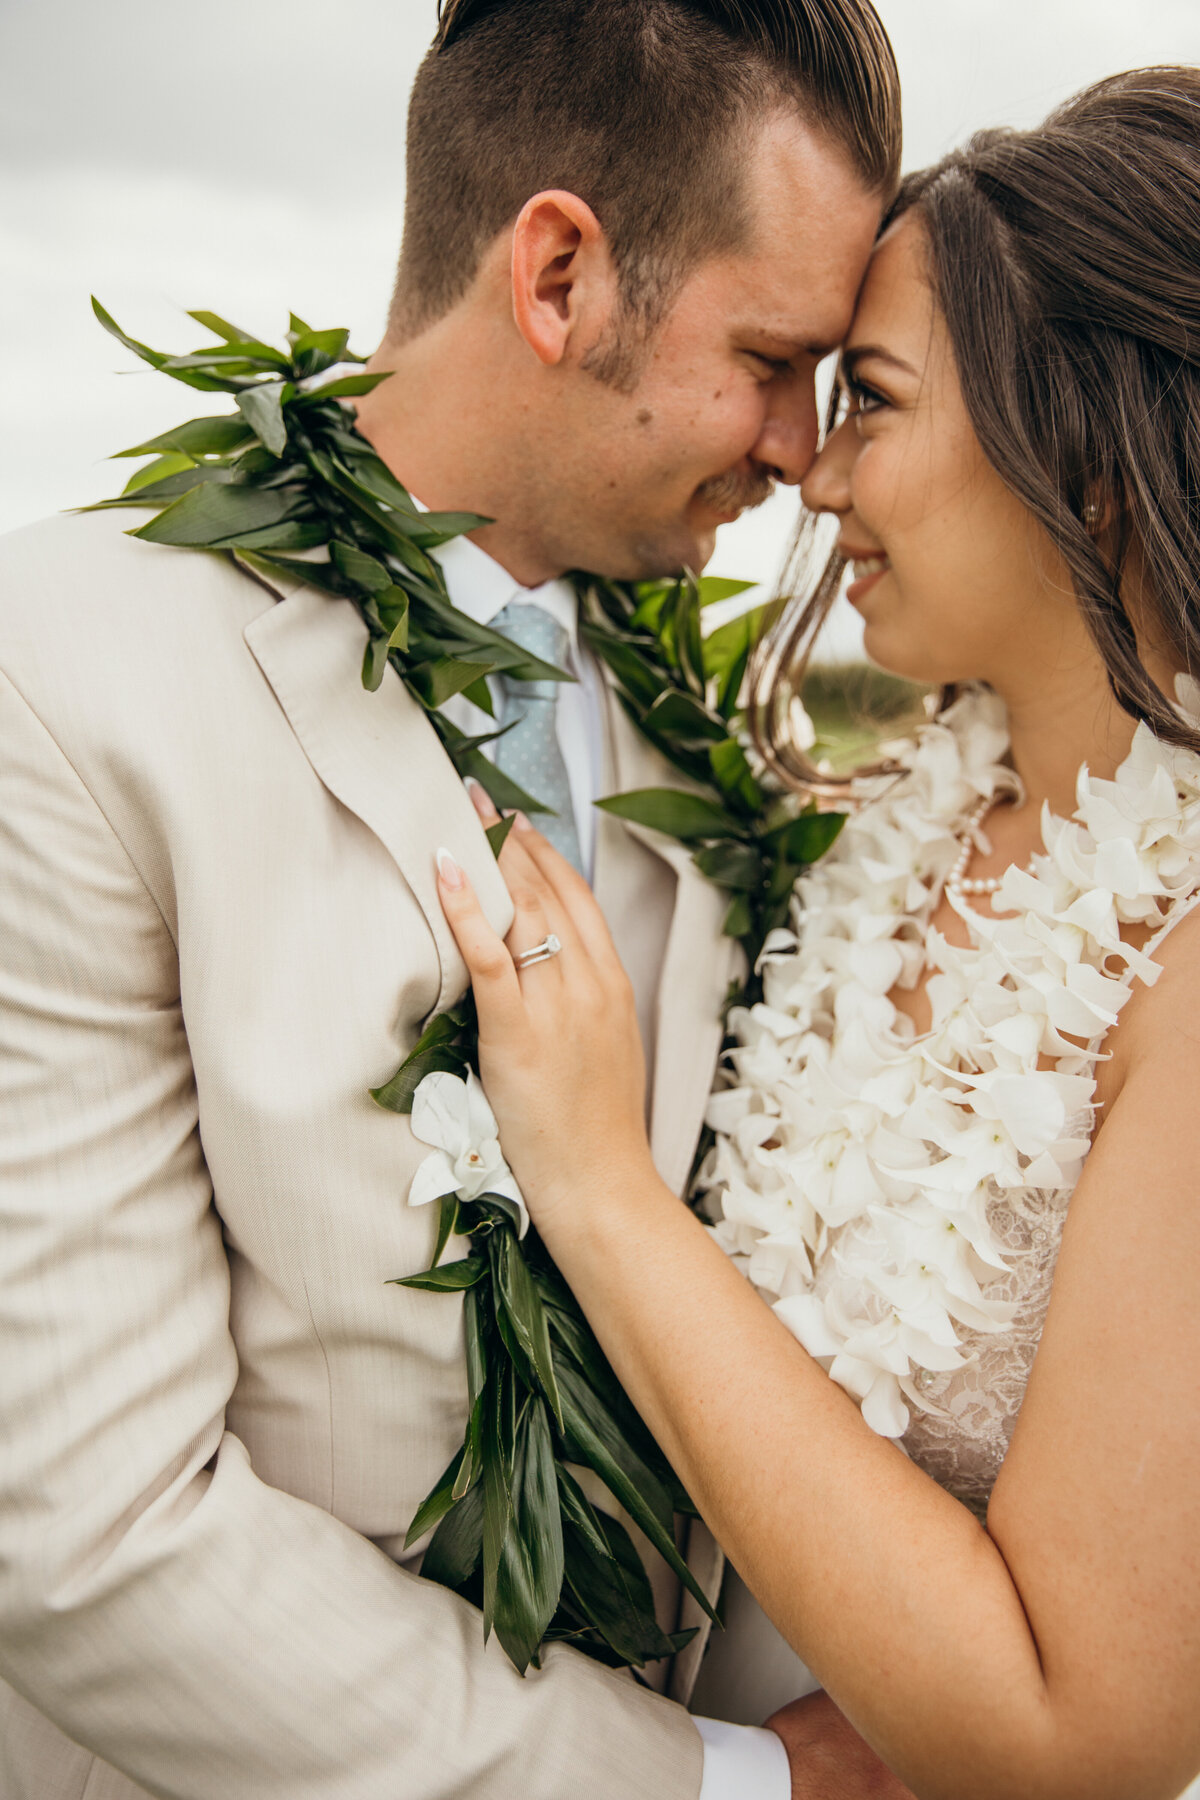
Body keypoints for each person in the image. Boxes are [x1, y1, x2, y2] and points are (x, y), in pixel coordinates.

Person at [0, 2, 916, 1797]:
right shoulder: (67, 678)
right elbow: (87, 1526)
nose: (804, 450)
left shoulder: (714, 719)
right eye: (768, 355)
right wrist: (729, 1787)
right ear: (560, 273)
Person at [434, 67, 1200, 1800]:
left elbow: (1086, 1733)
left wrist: (605, 1193)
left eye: (872, 399)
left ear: (1074, 453)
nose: (813, 471)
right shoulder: (880, 824)